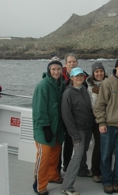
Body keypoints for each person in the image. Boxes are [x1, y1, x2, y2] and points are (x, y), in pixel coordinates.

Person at [93, 57, 118, 194]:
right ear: (116, 68)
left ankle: (116, 180)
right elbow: (99, 106)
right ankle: (107, 181)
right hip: (108, 126)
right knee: (106, 155)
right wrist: (101, 122)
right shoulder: (107, 83)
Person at [32, 56, 65, 195]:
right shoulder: (43, 85)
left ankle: (53, 175)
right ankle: (40, 185)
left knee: (55, 154)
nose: (56, 72)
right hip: (43, 128)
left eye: (58, 69)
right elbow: (39, 109)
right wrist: (45, 127)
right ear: (49, 70)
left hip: (57, 127)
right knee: (44, 156)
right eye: (53, 69)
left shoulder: (61, 84)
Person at [60, 67, 95, 195]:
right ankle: (67, 186)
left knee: (84, 151)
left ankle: (82, 170)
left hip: (87, 128)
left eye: (81, 75)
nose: (79, 78)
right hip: (78, 130)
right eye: (76, 76)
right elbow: (67, 116)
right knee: (77, 155)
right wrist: (75, 136)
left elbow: (88, 109)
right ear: (71, 78)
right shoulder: (67, 93)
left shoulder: (84, 90)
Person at [59, 53, 91, 176]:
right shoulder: (60, 78)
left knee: (81, 148)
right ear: (65, 64)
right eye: (70, 62)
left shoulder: (82, 79)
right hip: (66, 116)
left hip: (79, 119)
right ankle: (66, 168)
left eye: (74, 61)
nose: (72, 64)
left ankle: (81, 169)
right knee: (67, 144)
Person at [86, 62, 107, 183]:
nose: (99, 74)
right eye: (97, 71)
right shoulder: (89, 87)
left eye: (101, 71)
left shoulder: (109, 83)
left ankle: (106, 170)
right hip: (96, 120)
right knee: (98, 145)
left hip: (109, 119)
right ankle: (96, 171)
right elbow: (90, 105)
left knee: (108, 147)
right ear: (93, 73)